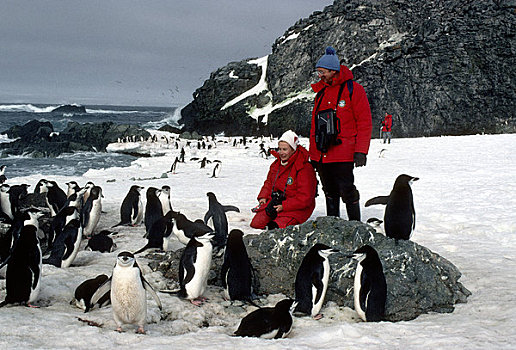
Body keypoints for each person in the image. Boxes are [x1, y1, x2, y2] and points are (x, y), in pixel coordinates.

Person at [309, 46, 372, 221]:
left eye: (322, 72)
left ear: (333, 70)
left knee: (347, 189)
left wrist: (361, 151)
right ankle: (333, 225)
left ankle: (355, 225)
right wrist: (313, 155)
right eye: (318, 72)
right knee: (329, 190)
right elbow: (315, 127)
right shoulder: (320, 93)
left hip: (344, 152)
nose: (320, 75)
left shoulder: (354, 90)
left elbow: (365, 122)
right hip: (323, 153)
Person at [250, 130, 317, 230]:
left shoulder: (304, 168)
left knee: (275, 228)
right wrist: (263, 197)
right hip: (276, 202)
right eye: (279, 149)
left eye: (284, 149)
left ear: (293, 149)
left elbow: (305, 198)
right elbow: (269, 183)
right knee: (256, 224)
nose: (281, 153)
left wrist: (284, 206)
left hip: (296, 207)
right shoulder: (276, 164)